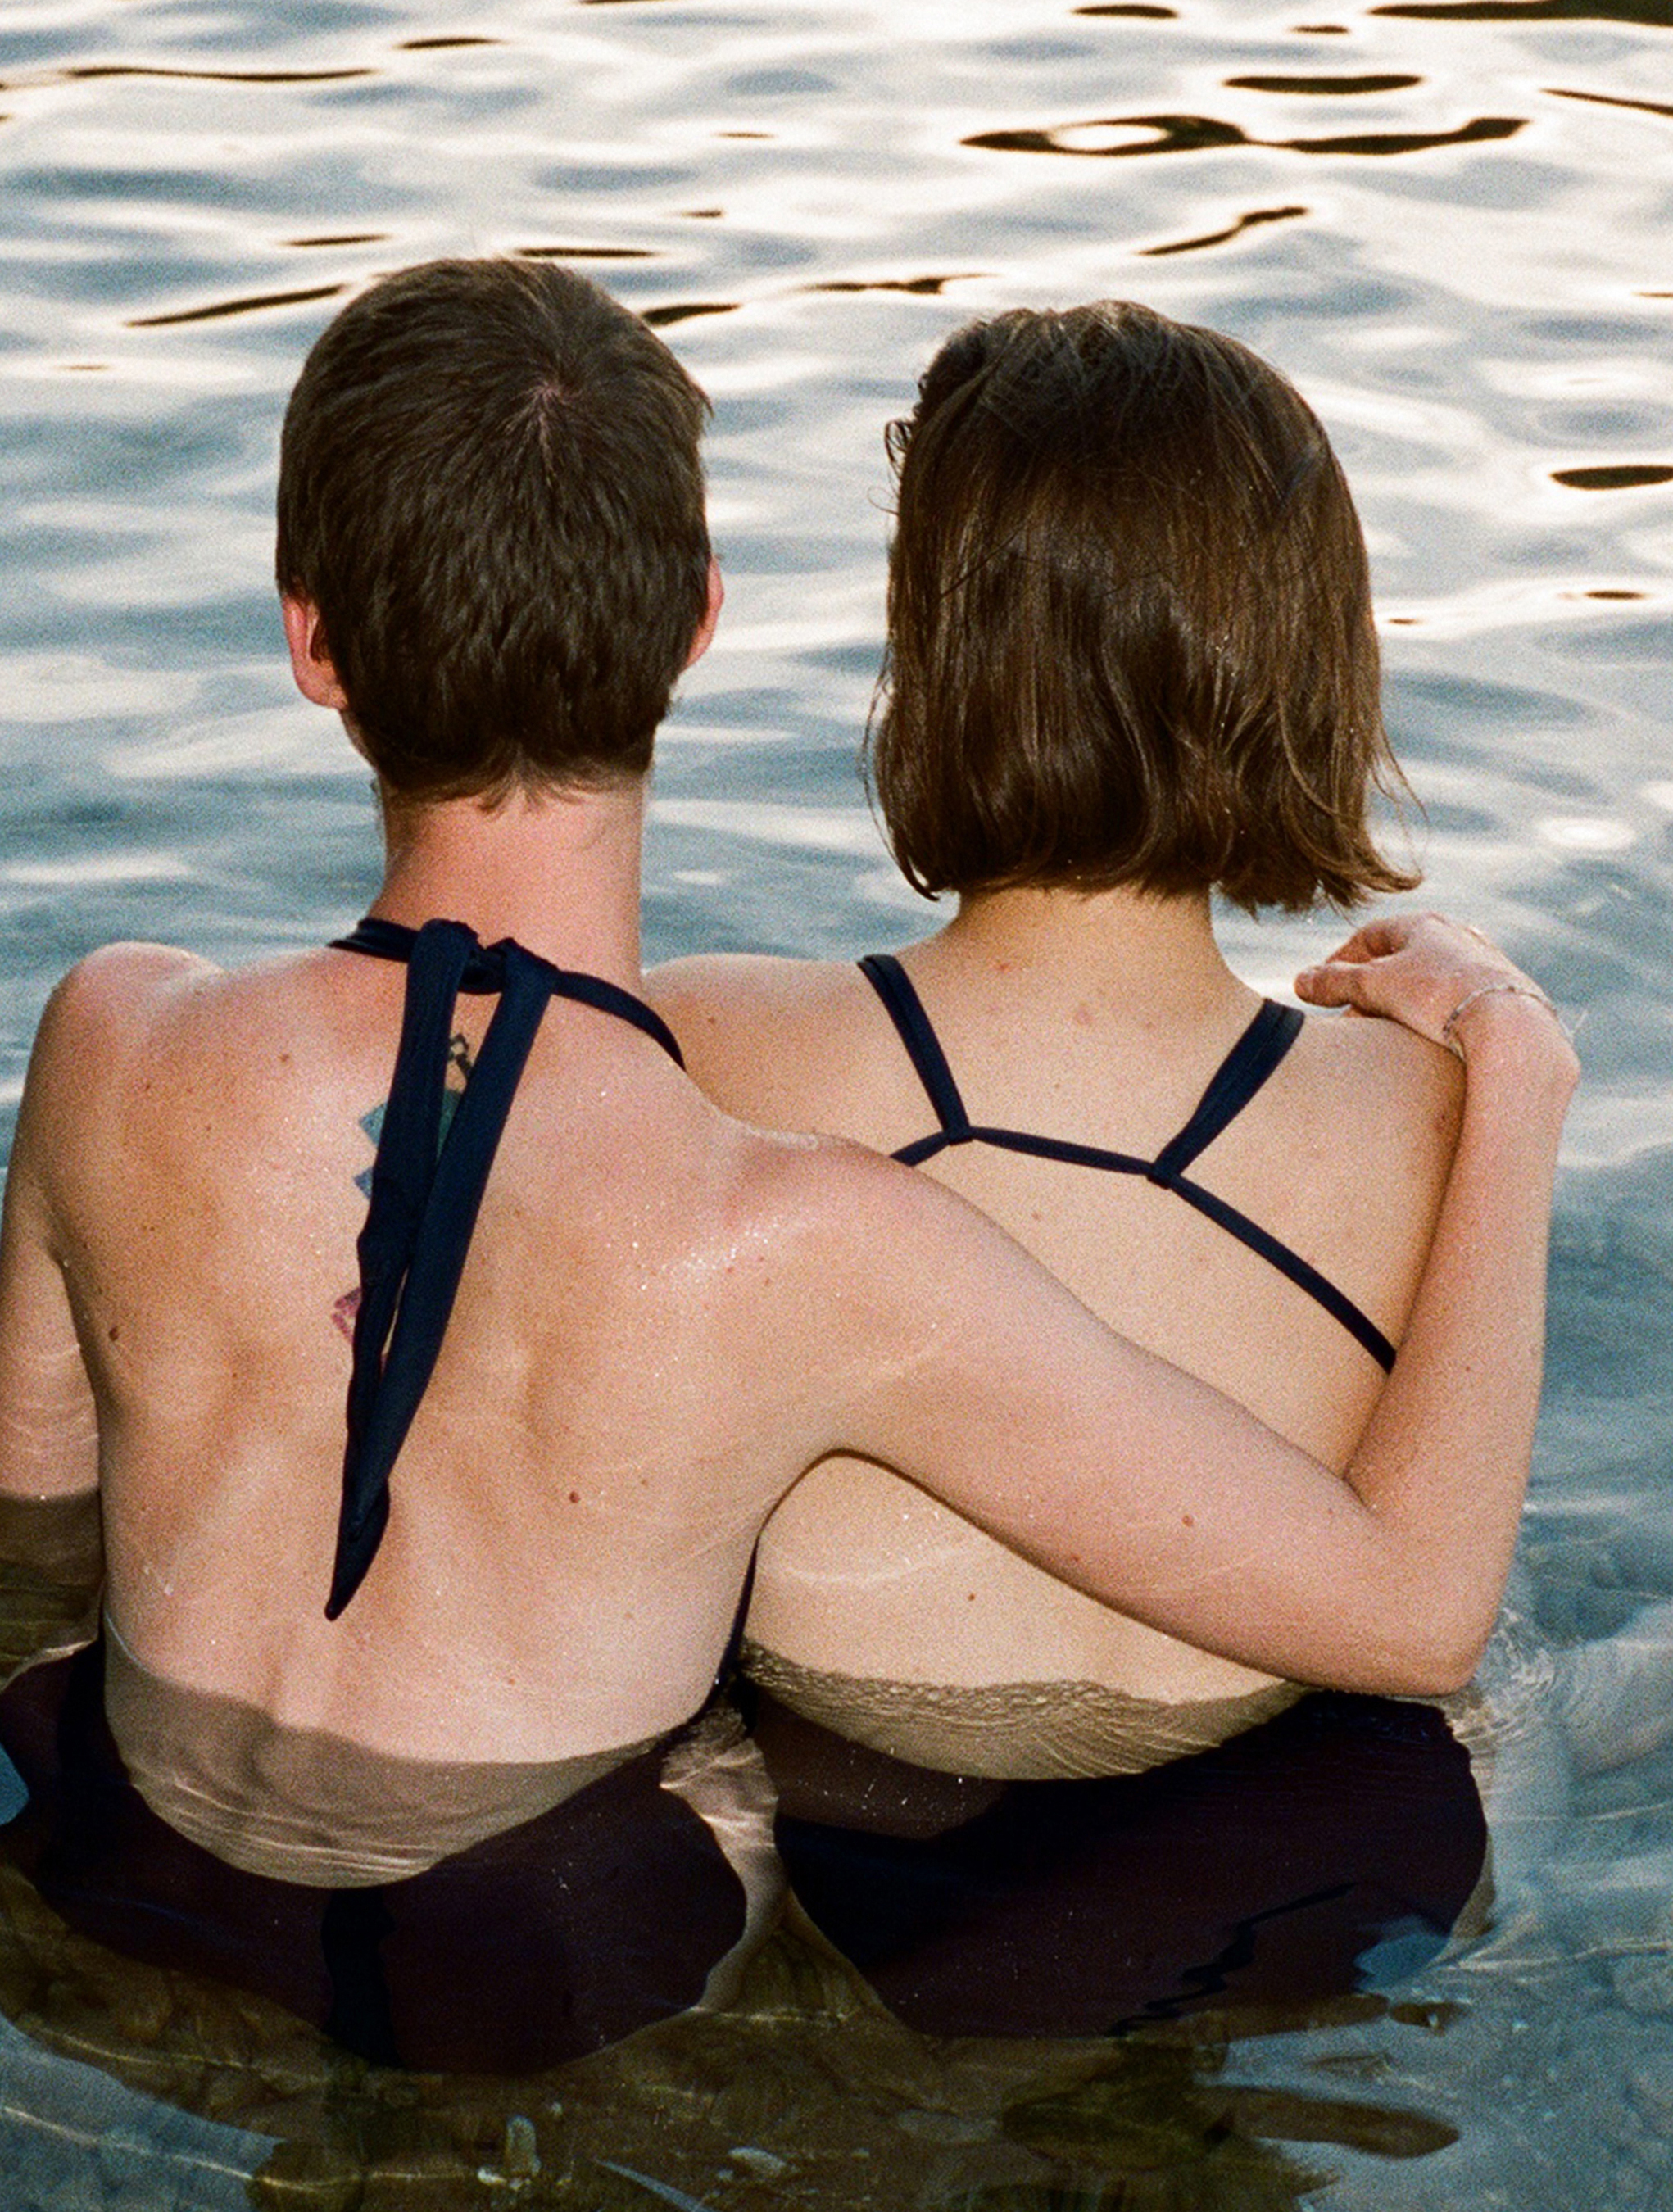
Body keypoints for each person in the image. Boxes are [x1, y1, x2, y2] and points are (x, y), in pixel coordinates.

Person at [0, 260, 1562, 2069]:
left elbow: (26, 1546)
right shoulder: (802, 1226)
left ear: (311, 642)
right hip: (547, 1951)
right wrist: (1519, 1074)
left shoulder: (108, 1032)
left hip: (94, 1841)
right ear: (699, 624)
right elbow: (1415, 1616)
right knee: (734, 1792)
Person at [646, 301, 1573, 2034]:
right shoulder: (1427, 1109)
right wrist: (1521, 1069)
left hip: (874, 1840)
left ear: (934, 660)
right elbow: (1442, 1590)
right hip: (1336, 1844)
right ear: (1306, 665)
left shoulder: (710, 1046)